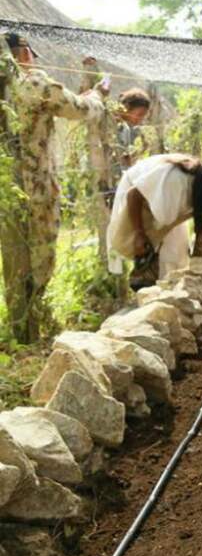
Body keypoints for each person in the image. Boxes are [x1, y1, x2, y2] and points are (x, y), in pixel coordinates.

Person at [0, 32, 105, 341]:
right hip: (35, 185)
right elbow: (80, 110)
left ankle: (20, 329)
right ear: (22, 53)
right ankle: (28, 329)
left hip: (7, 186)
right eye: (31, 55)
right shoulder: (32, 82)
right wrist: (98, 94)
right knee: (40, 255)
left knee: (13, 255)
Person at [106, 153, 202, 291]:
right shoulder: (176, 181)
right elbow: (134, 194)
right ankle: (147, 296)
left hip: (166, 210)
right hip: (138, 194)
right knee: (144, 248)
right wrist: (139, 232)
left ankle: (166, 298)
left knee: (175, 258)